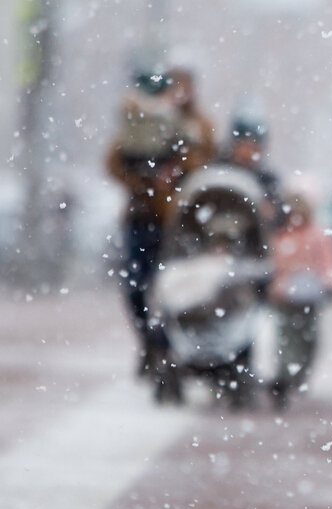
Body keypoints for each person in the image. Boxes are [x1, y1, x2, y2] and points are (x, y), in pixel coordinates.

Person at [107, 65, 215, 377]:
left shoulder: (200, 125)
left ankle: (168, 349)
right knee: (136, 287)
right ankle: (152, 343)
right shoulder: (142, 123)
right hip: (142, 218)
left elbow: (204, 160)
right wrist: (143, 179)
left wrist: (177, 167)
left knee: (176, 288)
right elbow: (114, 160)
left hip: (181, 221)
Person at [268, 193, 332, 409]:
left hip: (309, 295)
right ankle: (284, 376)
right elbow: (273, 265)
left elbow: (329, 262)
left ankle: (296, 374)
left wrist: (329, 283)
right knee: (286, 337)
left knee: (307, 338)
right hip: (284, 295)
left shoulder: (317, 236)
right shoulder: (281, 236)